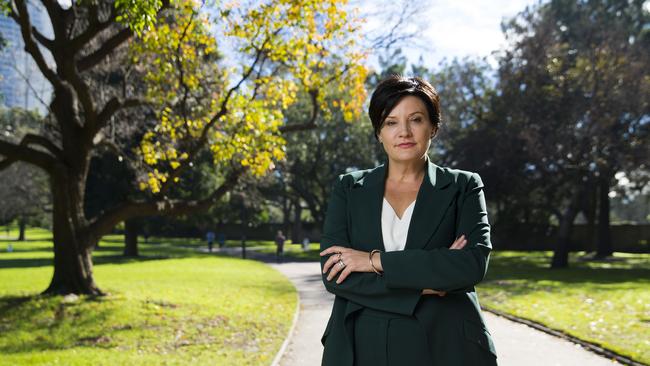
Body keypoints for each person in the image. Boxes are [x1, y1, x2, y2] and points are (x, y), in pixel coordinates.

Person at [319, 75, 498, 366]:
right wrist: (426, 284)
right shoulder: (349, 188)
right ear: (378, 131)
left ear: (433, 127)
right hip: (360, 345)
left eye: (415, 119)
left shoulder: (463, 186)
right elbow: (333, 273)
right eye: (390, 122)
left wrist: (374, 261)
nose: (403, 131)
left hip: (445, 346)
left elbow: (470, 265)